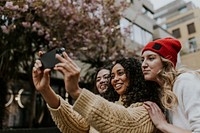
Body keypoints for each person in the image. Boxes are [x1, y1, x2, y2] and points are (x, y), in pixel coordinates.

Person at [32, 51, 163, 132]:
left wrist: (76, 91)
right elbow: (78, 126)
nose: (115, 79)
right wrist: (46, 90)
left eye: (120, 73)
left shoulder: (149, 109)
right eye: (112, 76)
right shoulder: (111, 103)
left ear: (135, 76)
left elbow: (123, 123)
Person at [141, 37, 200, 133]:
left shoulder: (186, 81)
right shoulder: (164, 92)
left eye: (151, 58)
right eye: (142, 60)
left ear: (165, 62)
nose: (143, 64)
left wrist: (163, 125)